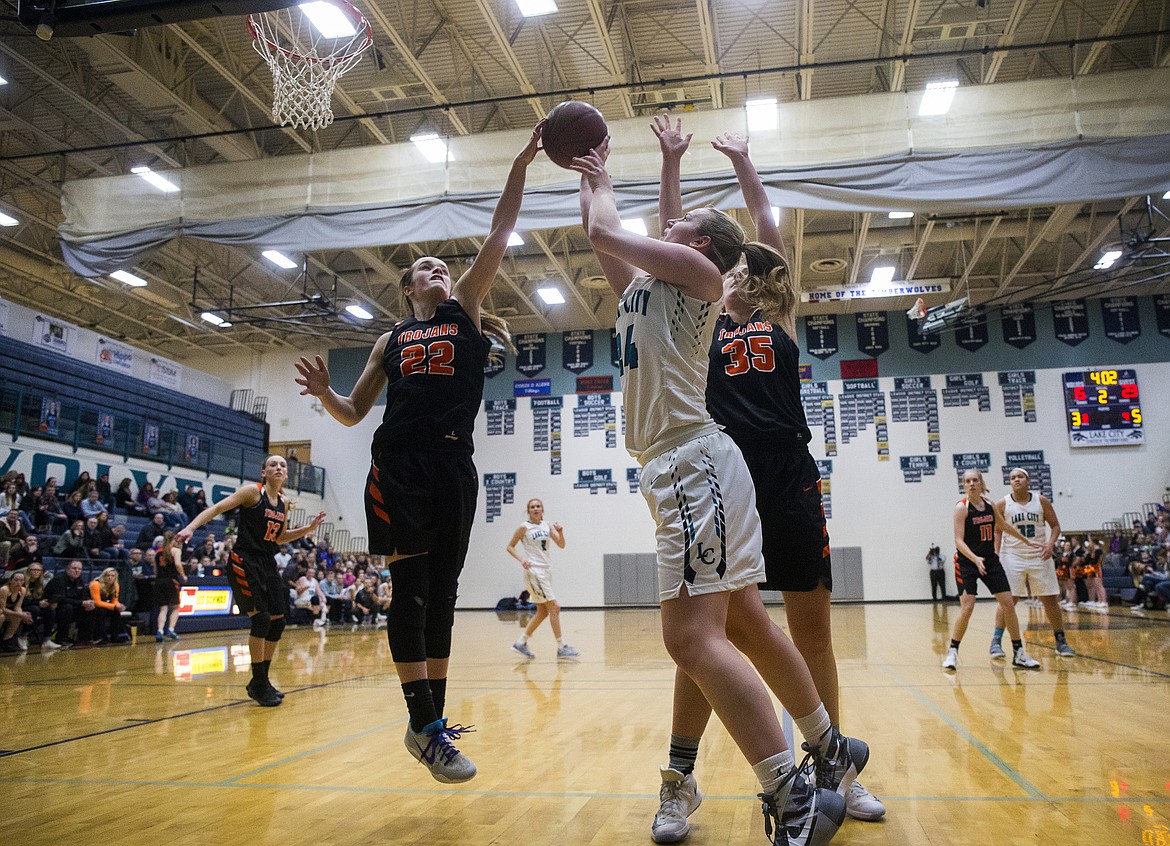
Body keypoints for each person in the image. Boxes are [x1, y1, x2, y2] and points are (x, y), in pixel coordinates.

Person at [573, 133, 855, 845]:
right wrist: (585, 176)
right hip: (682, 466)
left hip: (698, 463)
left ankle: (788, 787)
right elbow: (601, 237)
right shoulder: (651, 291)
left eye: (676, 227)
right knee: (749, 625)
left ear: (700, 249)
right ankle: (829, 745)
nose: (665, 225)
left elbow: (609, 228)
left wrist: (604, 174)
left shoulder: (704, 282)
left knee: (690, 640)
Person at [642, 120, 882, 837]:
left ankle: (832, 764)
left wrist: (747, 166)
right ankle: (679, 781)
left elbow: (769, 232)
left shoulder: (777, 311)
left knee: (811, 633)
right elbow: (668, 237)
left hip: (786, 475)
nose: (741, 271)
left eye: (751, 266)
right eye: (732, 265)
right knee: (704, 637)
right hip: (718, 474)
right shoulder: (698, 318)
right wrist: (670, 163)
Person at [292, 124, 541, 782]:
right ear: (407, 288)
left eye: (444, 267)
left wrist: (520, 164)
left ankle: (428, 720)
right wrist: (323, 394)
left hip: (455, 465)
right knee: (411, 589)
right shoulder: (390, 339)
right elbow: (351, 413)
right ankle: (426, 724)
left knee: (445, 591)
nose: (440, 271)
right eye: (426, 268)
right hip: (398, 466)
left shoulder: (466, 312)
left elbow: (500, 231)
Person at [177, 455, 324, 706]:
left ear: (286, 474)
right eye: (273, 465)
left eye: (282, 466)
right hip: (244, 560)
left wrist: (308, 530)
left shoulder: (284, 503)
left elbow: (279, 537)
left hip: (267, 561)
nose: (278, 468)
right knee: (262, 619)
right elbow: (217, 508)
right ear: (264, 472)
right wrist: (191, 527)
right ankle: (258, 681)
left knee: (278, 622)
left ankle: (261, 682)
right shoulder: (253, 493)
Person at [943, 469, 1043, 671]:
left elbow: (1004, 525)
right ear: (964, 486)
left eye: (975, 480)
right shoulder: (961, 508)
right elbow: (958, 541)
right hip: (966, 562)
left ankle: (1019, 653)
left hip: (989, 559)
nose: (971, 484)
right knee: (968, 607)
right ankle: (953, 651)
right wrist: (974, 558)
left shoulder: (989, 505)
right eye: (967, 481)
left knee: (1008, 604)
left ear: (981, 483)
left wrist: (1026, 540)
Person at [991, 468, 1075, 658]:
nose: (1016, 480)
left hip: (1039, 554)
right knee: (1008, 600)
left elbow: (1055, 526)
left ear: (1028, 480)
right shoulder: (1003, 504)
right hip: (1012, 555)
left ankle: (1060, 641)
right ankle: (996, 641)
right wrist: (996, 554)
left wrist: (1050, 544)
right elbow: (997, 531)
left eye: (1020, 477)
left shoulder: (1041, 501)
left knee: (1050, 599)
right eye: (1012, 478)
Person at [507, 498, 578, 660]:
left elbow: (561, 544)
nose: (535, 509)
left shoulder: (547, 526)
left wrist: (560, 532)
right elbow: (509, 546)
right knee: (555, 608)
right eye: (532, 507)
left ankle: (521, 643)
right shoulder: (524, 527)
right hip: (534, 571)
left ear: (542, 509)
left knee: (543, 612)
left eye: (538, 506)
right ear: (528, 510)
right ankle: (561, 647)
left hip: (546, 571)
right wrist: (521, 559)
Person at [43, 559, 95, 648]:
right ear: (67, 569)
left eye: (79, 569)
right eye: (74, 568)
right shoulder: (59, 579)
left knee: (92, 608)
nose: (77, 570)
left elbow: (83, 596)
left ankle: (84, 638)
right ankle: (61, 638)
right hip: (53, 607)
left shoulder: (79, 580)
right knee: (67, 608)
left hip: (72, 606)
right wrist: (81, 603)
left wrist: (88, 602)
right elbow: (61, 599)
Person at [153, 530, 186, 642]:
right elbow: (177, 564)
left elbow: (155, 569)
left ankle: (160, 631)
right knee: (175, 606)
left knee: (163, 608)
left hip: (159, 580)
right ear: (174, 539)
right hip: (171, 580)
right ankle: (171, 630)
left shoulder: (157, 552)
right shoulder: (175, 550)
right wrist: (183, 575)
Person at [88, 566, 128, 644]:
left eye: (112, 576)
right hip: (93, 607)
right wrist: (114, 606)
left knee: (116, 612)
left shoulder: (115, 586)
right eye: (108, 575)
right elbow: (97, 602)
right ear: (103, 576)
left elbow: (114, 601)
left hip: (105, 605)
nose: (110, 578)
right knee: (101, 611)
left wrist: (120, 606)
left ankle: (115, 636)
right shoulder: (95, 584)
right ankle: (100, 637)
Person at [0, 571, 33, 652]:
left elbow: (17, 607)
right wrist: (21, 615)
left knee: (17, 617)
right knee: (1, 616)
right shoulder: (4, 589)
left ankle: (7, 641)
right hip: (1, 610)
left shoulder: (23, 590)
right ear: (10, 580)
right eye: (16, 580)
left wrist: (22, 615)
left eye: (21, 580)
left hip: (7, 611)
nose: (18, 582)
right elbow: (3, 608)